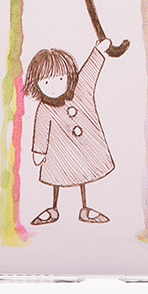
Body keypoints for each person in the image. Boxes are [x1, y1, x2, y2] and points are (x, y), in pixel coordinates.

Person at [25, 38, 114, 225]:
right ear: (37, 84)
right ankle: (54, 208)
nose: (54, 86)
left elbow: (90, 71)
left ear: (69, 77)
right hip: (58, 156)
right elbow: (41, 130)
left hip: (84, 152)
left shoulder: (80, 91)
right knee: (57, 181)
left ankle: (85, 208)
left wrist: (99, 51)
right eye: (46, 82)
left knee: (85, 177)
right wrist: (39, 151)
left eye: (60, 79)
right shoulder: (45, 108)